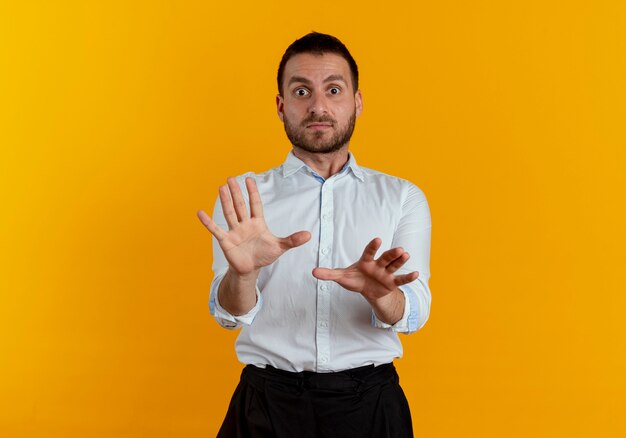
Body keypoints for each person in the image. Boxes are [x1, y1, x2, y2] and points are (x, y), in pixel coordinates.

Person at [197, 32, 432, 438]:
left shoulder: (402, 197)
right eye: (302, 91)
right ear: (281, 105)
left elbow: (413, 313)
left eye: (334, 89)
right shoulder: (244, 197)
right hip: (266, 406)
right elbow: (229, 316)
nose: (318, 106)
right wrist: (243, 275)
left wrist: (380, 294)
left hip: (370, 407)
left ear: (356, 101)